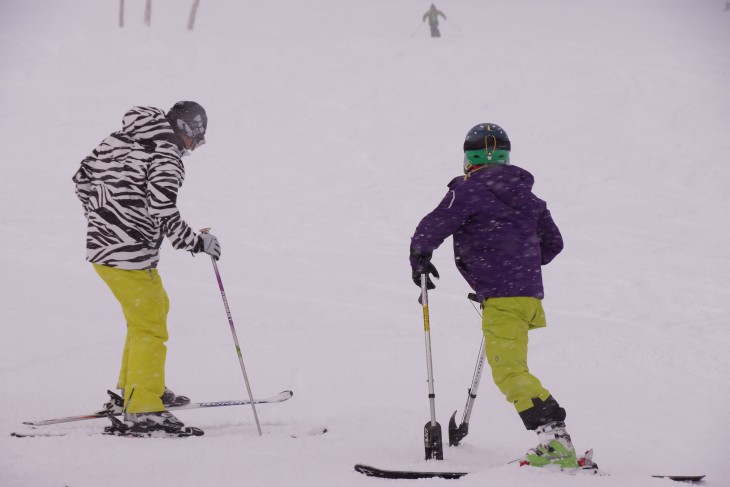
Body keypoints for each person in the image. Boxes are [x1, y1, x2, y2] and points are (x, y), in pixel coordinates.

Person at [409, 123, 578, 469]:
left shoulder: (469, 190)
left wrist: (420, 258)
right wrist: (520, 261)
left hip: (502, 295)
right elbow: (554, 244)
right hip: (526, 296)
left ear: (468, 160)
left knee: (509, 372)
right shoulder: (529, 198)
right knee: (512, 366)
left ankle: (556, 442)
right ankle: (555, 442)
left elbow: (435, 224)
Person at [72, 102, 221, 436]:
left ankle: (136, 388)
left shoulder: (121, 139)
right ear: (189, 130)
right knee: (150, 324)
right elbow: (162, 208)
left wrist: (105, 221)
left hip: (107, 249)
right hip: (128, 254)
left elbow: (81, 179)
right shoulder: (166, 154)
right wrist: (196, 242)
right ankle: (143, 409)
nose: (193, 147)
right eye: (197, 139)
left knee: (149, 313)